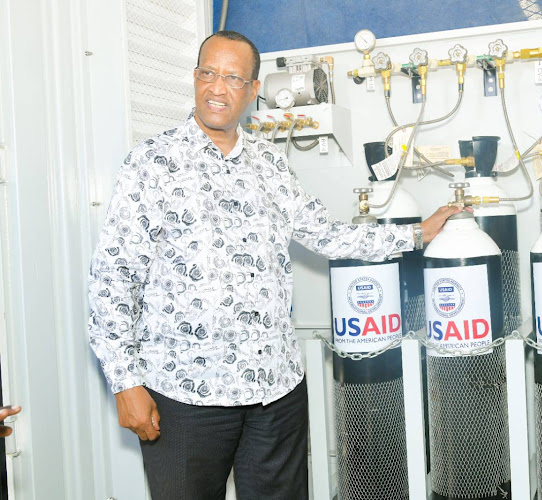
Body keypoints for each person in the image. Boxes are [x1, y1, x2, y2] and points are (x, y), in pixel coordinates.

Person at [88, 30, 459, 500]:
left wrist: (415, 234)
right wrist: (125, 381)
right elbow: (114, 278)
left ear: (253, 90)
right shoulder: (151, 163)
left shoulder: (269, 163)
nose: (217, 88)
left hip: (275, 391)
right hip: (186, 395)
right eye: (208, 73)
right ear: (195, 77)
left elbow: (324, 232)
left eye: (232, 77)